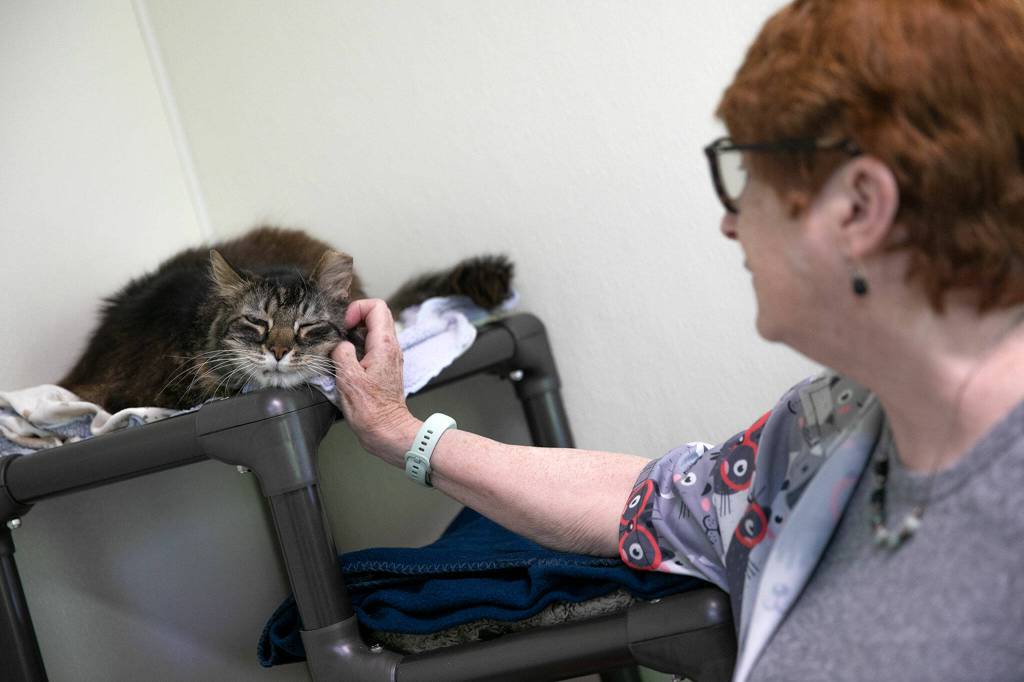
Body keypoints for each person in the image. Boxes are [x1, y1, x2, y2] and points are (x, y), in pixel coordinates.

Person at [331, 1, 1024, 679]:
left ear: (861, 206)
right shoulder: (824, 431)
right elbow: (640, 498)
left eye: (746, 175)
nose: (730, 222)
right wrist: (400, 433)